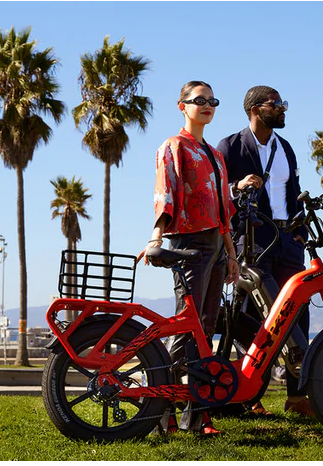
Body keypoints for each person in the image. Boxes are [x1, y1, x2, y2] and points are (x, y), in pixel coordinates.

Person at [140, 80, 239, 435]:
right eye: (199, 100)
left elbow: (224, 210)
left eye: (212, 100)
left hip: (215, 245)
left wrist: (231, 255)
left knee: (205, 329)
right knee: (186, 325)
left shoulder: (216, 155)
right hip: (188, 243)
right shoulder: (173, 146)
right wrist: (155, 236)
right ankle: (158, 412)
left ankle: (196, 415)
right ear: (182, 105)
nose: (207, 105)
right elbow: (164, 193)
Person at [217, 85, 313, 418]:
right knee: (254, 318)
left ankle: (298, 396)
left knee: (298, 308)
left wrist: (300, 233)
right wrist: (236, 187)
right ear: (257, 109)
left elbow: (294, 192)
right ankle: (250, 395)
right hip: (253, 241)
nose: (283, 108)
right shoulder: (229, 146)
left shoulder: (285, 147)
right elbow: (215, 192)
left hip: (289, 242)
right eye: (277, 104)